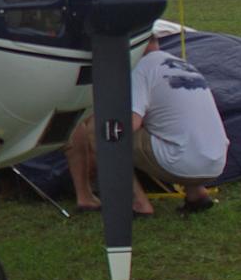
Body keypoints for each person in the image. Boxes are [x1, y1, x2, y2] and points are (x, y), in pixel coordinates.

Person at [67, 35, 230, 215]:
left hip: (180, 162)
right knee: (174, 128)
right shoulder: (183, 65)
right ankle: (196, 194)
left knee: (100, 131)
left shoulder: (140, 68)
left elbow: (126, 126)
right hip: (216, 162)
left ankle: (138, 204)